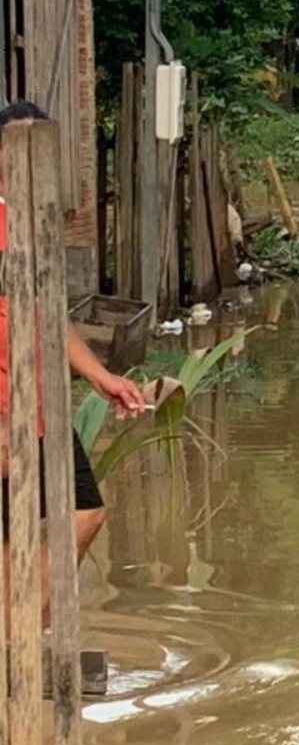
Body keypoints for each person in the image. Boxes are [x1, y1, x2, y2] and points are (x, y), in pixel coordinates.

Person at [0, 101, 143, 561]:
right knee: (11, 536)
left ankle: (25, 630)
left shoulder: (37, 226)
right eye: (17, 146)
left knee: (86, 513)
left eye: (38, 145)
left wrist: (102, 378)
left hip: (42, 408)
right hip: (8, 408)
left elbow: (48, 317)